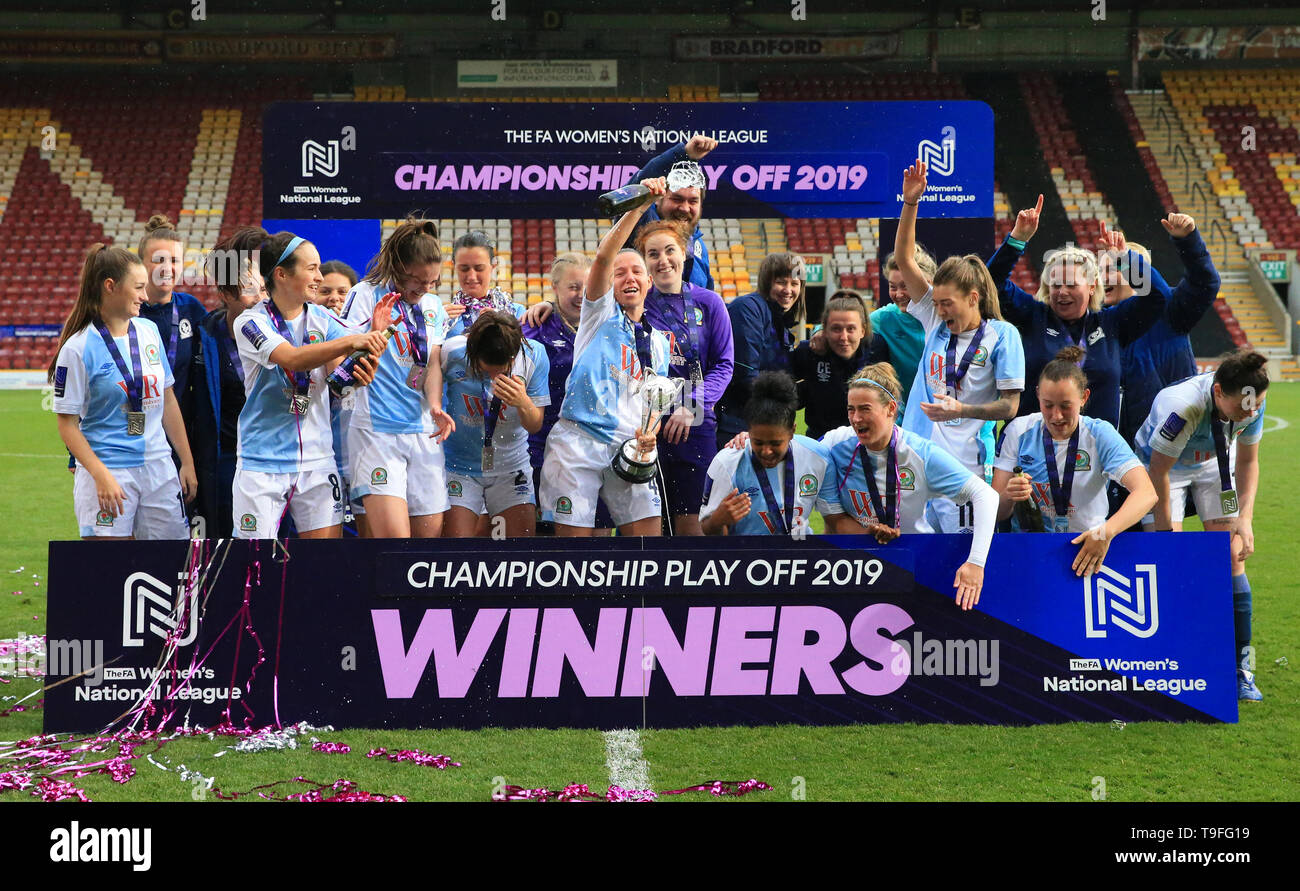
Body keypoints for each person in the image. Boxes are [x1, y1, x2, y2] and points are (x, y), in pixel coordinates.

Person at [232, 230, 390, 539]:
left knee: (323, 560)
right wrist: (353, 341)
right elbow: (292, 359)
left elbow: (337, 384)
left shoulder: (323, 319)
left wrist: (359, 373)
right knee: (253, 560)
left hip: (318, 460)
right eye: (312, 268)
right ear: (281, 274)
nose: (319, 276)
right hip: (262, 463)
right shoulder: (251, 322)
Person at [895, 160, 1025, 533]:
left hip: (966, 468)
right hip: (916, 459)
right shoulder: (935, 320)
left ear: (972, 298)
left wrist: (962, 409)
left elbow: (1010, 406)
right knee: (912, 554)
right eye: (936, 303)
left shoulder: (1003, 335)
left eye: (947, 303)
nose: (938, 310)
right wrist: (910, 202)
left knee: (959, 552)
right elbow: (904, 258)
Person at [538, 178, 672, 537]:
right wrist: (639, 208)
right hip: (578, 442)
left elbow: (655, 403)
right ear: (609, 284)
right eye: (620, 273)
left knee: (646, 548)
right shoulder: (598, 314)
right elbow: (602, 257)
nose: (629, 277)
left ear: (649, 282)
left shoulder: (659, 343)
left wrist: (651, 433)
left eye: (637, 271)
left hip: (629, 446)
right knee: (574, 555)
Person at [1134, 349, 1268, 701]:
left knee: (1233, 556)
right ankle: (1175, 662)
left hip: (1214, 465)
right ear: (1218, 391)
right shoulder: (1182, 408)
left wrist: (1245, 518)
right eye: (1242, 409)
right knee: (1169, 562)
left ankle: (1240, 668)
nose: (1250, 414)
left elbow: (1247, 462)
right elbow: (1159, 472)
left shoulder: (1252, 400)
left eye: (1255, 407)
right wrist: (1166, 536)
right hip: (1162, 468)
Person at [49, 244, 196, 540]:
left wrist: (187, 461)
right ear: (110, 286)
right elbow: (67, 425)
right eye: (138, 287)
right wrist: (99, 474)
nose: (145, 296)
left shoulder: (148, 331)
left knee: (169, 561)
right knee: (111, 565)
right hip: (108, 470)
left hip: (159, 467)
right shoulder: (77, 348)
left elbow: (168, 400)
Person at [820, 364, 995, 611]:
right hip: (853, 566)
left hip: (914, 565)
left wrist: (976, 563)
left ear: (891, 408)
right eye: (851, 409)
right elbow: (797, 456)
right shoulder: (835, 443)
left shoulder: (921, 453)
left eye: (865, 409)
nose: (856, 419)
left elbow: (986, 495)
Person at [985, 194, 1167, 427]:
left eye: (1071, 285)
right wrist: (1017, 240)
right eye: (1055, 285)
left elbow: (1158, 297)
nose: (1061, 292)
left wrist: (1124, 260)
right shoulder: (1032, 316)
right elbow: (991, 284)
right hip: (1035, 442)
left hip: (1096, 444)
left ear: (1091, 287)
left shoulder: (1112, 323)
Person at [992, 346, 1156, 576]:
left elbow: (1147, 493)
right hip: (1029, 552)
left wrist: (1105, 532)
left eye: (1065, 406)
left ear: (1084, 398)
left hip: (1086, 550)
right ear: (1037, 395)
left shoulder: (1100, 434)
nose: (1056, 416)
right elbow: (997, 513)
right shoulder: (1018, 431)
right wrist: (1009, 495)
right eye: (1048, 405)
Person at [342, 219, 455, 539]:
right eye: (417, 281)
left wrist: (435, 405)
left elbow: (432, 363)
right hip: (377, 432)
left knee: (426, 549)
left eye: (432, 282)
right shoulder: (365, 295)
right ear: (399, 268)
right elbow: (344, 359)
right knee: (395, 545)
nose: (425, 289)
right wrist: (375, 334)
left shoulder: (433, 306)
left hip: (423, 432)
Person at [1098, 215, 1220, 443]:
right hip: (1118, 448)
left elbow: (1205, 282)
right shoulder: (1098, 323)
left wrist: (1189, 241)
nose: (1103, 277)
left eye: (1112, 268)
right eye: (1099, 270)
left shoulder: (1171, 309)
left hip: (1174, 442)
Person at [441, 311, 548, 538]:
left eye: (500, 370)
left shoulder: (534, 355)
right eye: (485, 370)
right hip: (459, 468)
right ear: (472, 352)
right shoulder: (451, 351)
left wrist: (523, 402)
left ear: (513, 356)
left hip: (511, 467)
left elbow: (535, 425)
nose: (492, 377)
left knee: (519, 549)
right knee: (454, 551)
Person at [191, 227, 265, 538]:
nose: (259, 298)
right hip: (226, 460)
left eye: (263, 288)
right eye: (249, 290)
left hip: (272, 457)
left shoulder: (282, 333)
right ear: (225, 294)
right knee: (227, 541)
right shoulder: (205, 335)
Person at [700, 371, 836, 536]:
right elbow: (709, 532)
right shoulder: (727, 462)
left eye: (775, 443)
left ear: (792, 431)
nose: (766, 451)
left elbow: (836, 521)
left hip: (799, 550)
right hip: (747, 551)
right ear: (748, 430)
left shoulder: (818, 457)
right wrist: (717, 521)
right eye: (758, 442)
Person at [715, 251, 808, 447]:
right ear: (766, 282)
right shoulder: (748, 309)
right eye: (781, 282)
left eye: (794, 283)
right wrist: (789, 395)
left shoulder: (779, 320)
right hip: (736, 428)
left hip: (761, 425)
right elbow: (745, 375)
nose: (788, 290)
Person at [624, 134, 719, 290]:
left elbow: (707, 295)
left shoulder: (698, 244)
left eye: (693, 201)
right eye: (677, 199)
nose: (685, 208)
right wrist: (683, 153)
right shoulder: (641, 225)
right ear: (658, 199)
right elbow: (627, 198)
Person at [792, 291, 882, 440]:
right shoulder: (808, 352)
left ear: (862, 330)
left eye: (851, 329)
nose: (843, 337)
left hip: (863, 444)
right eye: (836, 329)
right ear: (824, 330)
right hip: (819, 443)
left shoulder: (877, 350)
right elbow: (781, 390)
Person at [872, 246, 938, 412]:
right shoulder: (885, 318)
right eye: (893, 287)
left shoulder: (943, 315)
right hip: (907, 416)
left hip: (948, 412)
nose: (899, 294)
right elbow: (848, 323)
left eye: (906, 286)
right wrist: (819, 332)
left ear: (928, 284)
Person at [444, 230, 525, 339]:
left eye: (479, 268)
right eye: (464, 269)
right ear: (454, 267)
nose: (472, 276)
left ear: (493, 265)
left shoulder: (517, 314)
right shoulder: (445, 317)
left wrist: (504, 328)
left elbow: (529, 348)